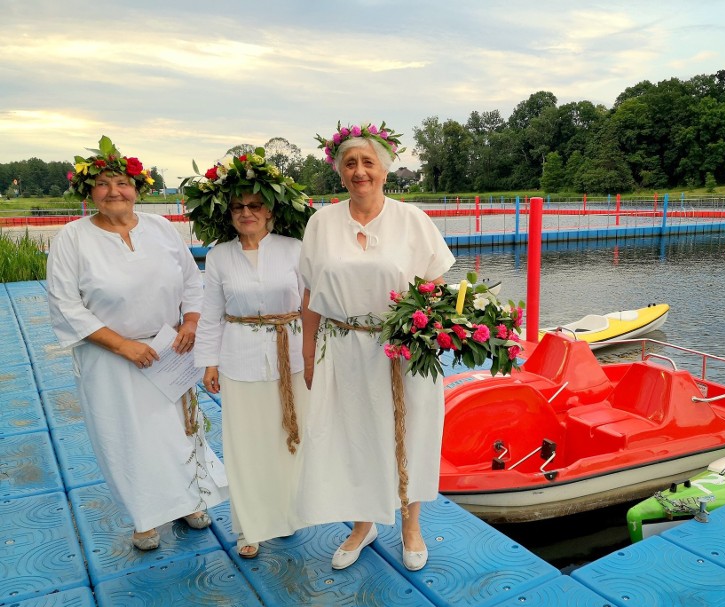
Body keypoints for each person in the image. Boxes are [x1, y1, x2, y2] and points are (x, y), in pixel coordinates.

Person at [46, 136, 228, 551]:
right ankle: (145, 519)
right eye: (104, 184)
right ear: (88, 191)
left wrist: (192, 322)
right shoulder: (72, 239)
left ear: (137, 189)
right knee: (127, 438)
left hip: (169, 349)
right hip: (109, 358)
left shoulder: (161, 228)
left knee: (179, 432)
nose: (114, 192)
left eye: (123, 183)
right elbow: (65, 304)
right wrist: (122, 345)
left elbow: (190, 281)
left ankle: (189, 501)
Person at [300, 122, 455, 571]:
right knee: (354, 436)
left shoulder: (412, 220)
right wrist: (307, 353)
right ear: (340, 172)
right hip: (344, 348)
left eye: (368, 162)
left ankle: (411, 525)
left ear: (385, 170)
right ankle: (363, 524)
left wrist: (429, 330)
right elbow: (309, 296)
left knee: (412, 431)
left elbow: (435, 285)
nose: (359, 171)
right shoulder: (321, 223)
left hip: (402, 349)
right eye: (350, 163)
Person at [188, 150, 313, 559]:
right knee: (245, 445)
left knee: (287, 440)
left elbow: (313, 303)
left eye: (254, 205)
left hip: (290, 356)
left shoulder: (295, 249)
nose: (246, 212)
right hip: (239, 358)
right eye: (239, 206)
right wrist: (209, 362)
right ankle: (250, 527)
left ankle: (287, 515)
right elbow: (210, 315)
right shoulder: (221, 255)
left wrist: (315, 356)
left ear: (270, 209)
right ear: (229, 212)